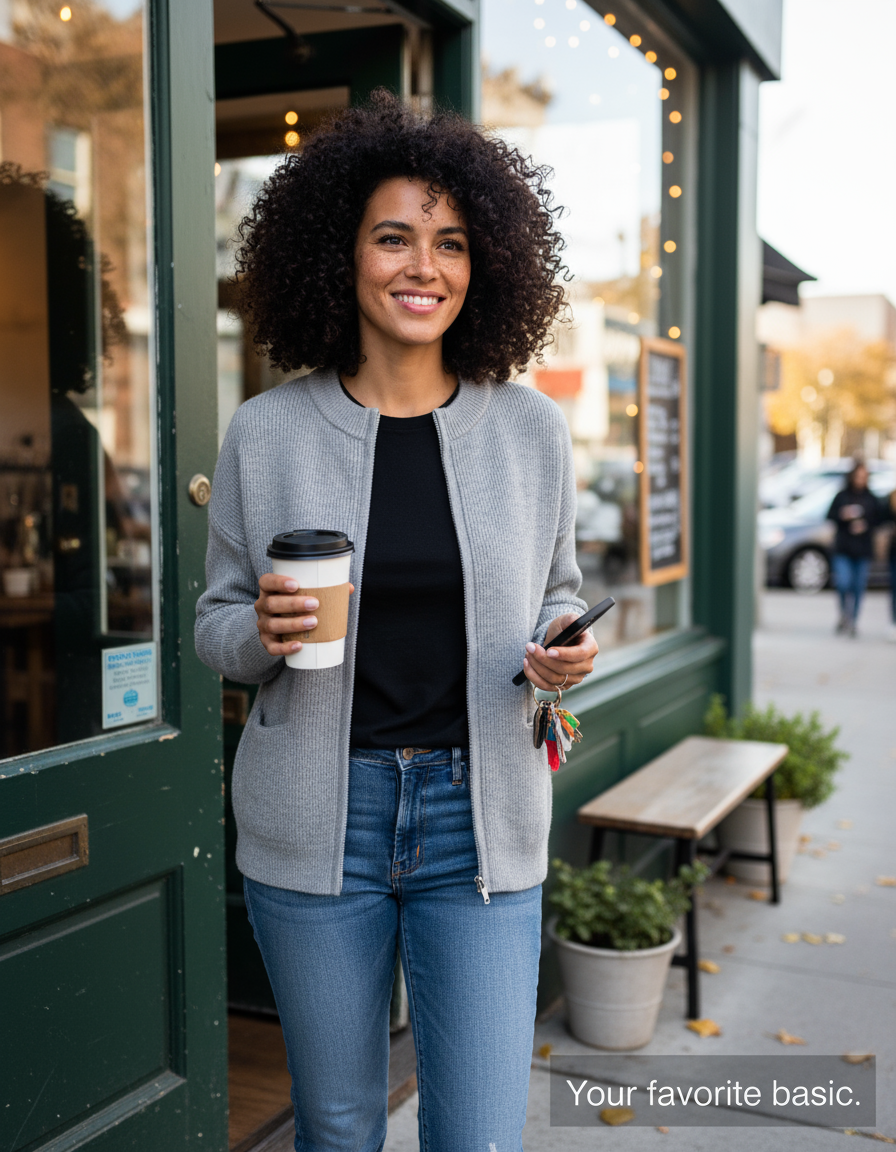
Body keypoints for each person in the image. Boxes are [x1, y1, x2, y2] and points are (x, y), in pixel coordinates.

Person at [194, 92, 598, 1152]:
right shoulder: (266, 432)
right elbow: (216, 625)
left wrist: (563, 648)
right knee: (335, 1127)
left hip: (481, 819)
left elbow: (557, 586)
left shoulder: (528, 429)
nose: (424, 266)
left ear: (484, 265)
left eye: (451, 242)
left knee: (475, 1134)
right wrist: (263, 635)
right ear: (343, 254)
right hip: (317, 825)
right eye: (394, 237)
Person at [826, 461, 878, 637]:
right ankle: (843, 614)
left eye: (864, 477)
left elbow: (878, 520)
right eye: (858, 476)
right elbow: (830, 515)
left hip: (863, 549)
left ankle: (853, 620)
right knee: (843, 583)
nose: (860, 480)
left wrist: (866, 526)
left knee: (858, 587)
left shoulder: (871, 498)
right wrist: (843, 515)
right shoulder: (842, 496)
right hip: (843, 548)